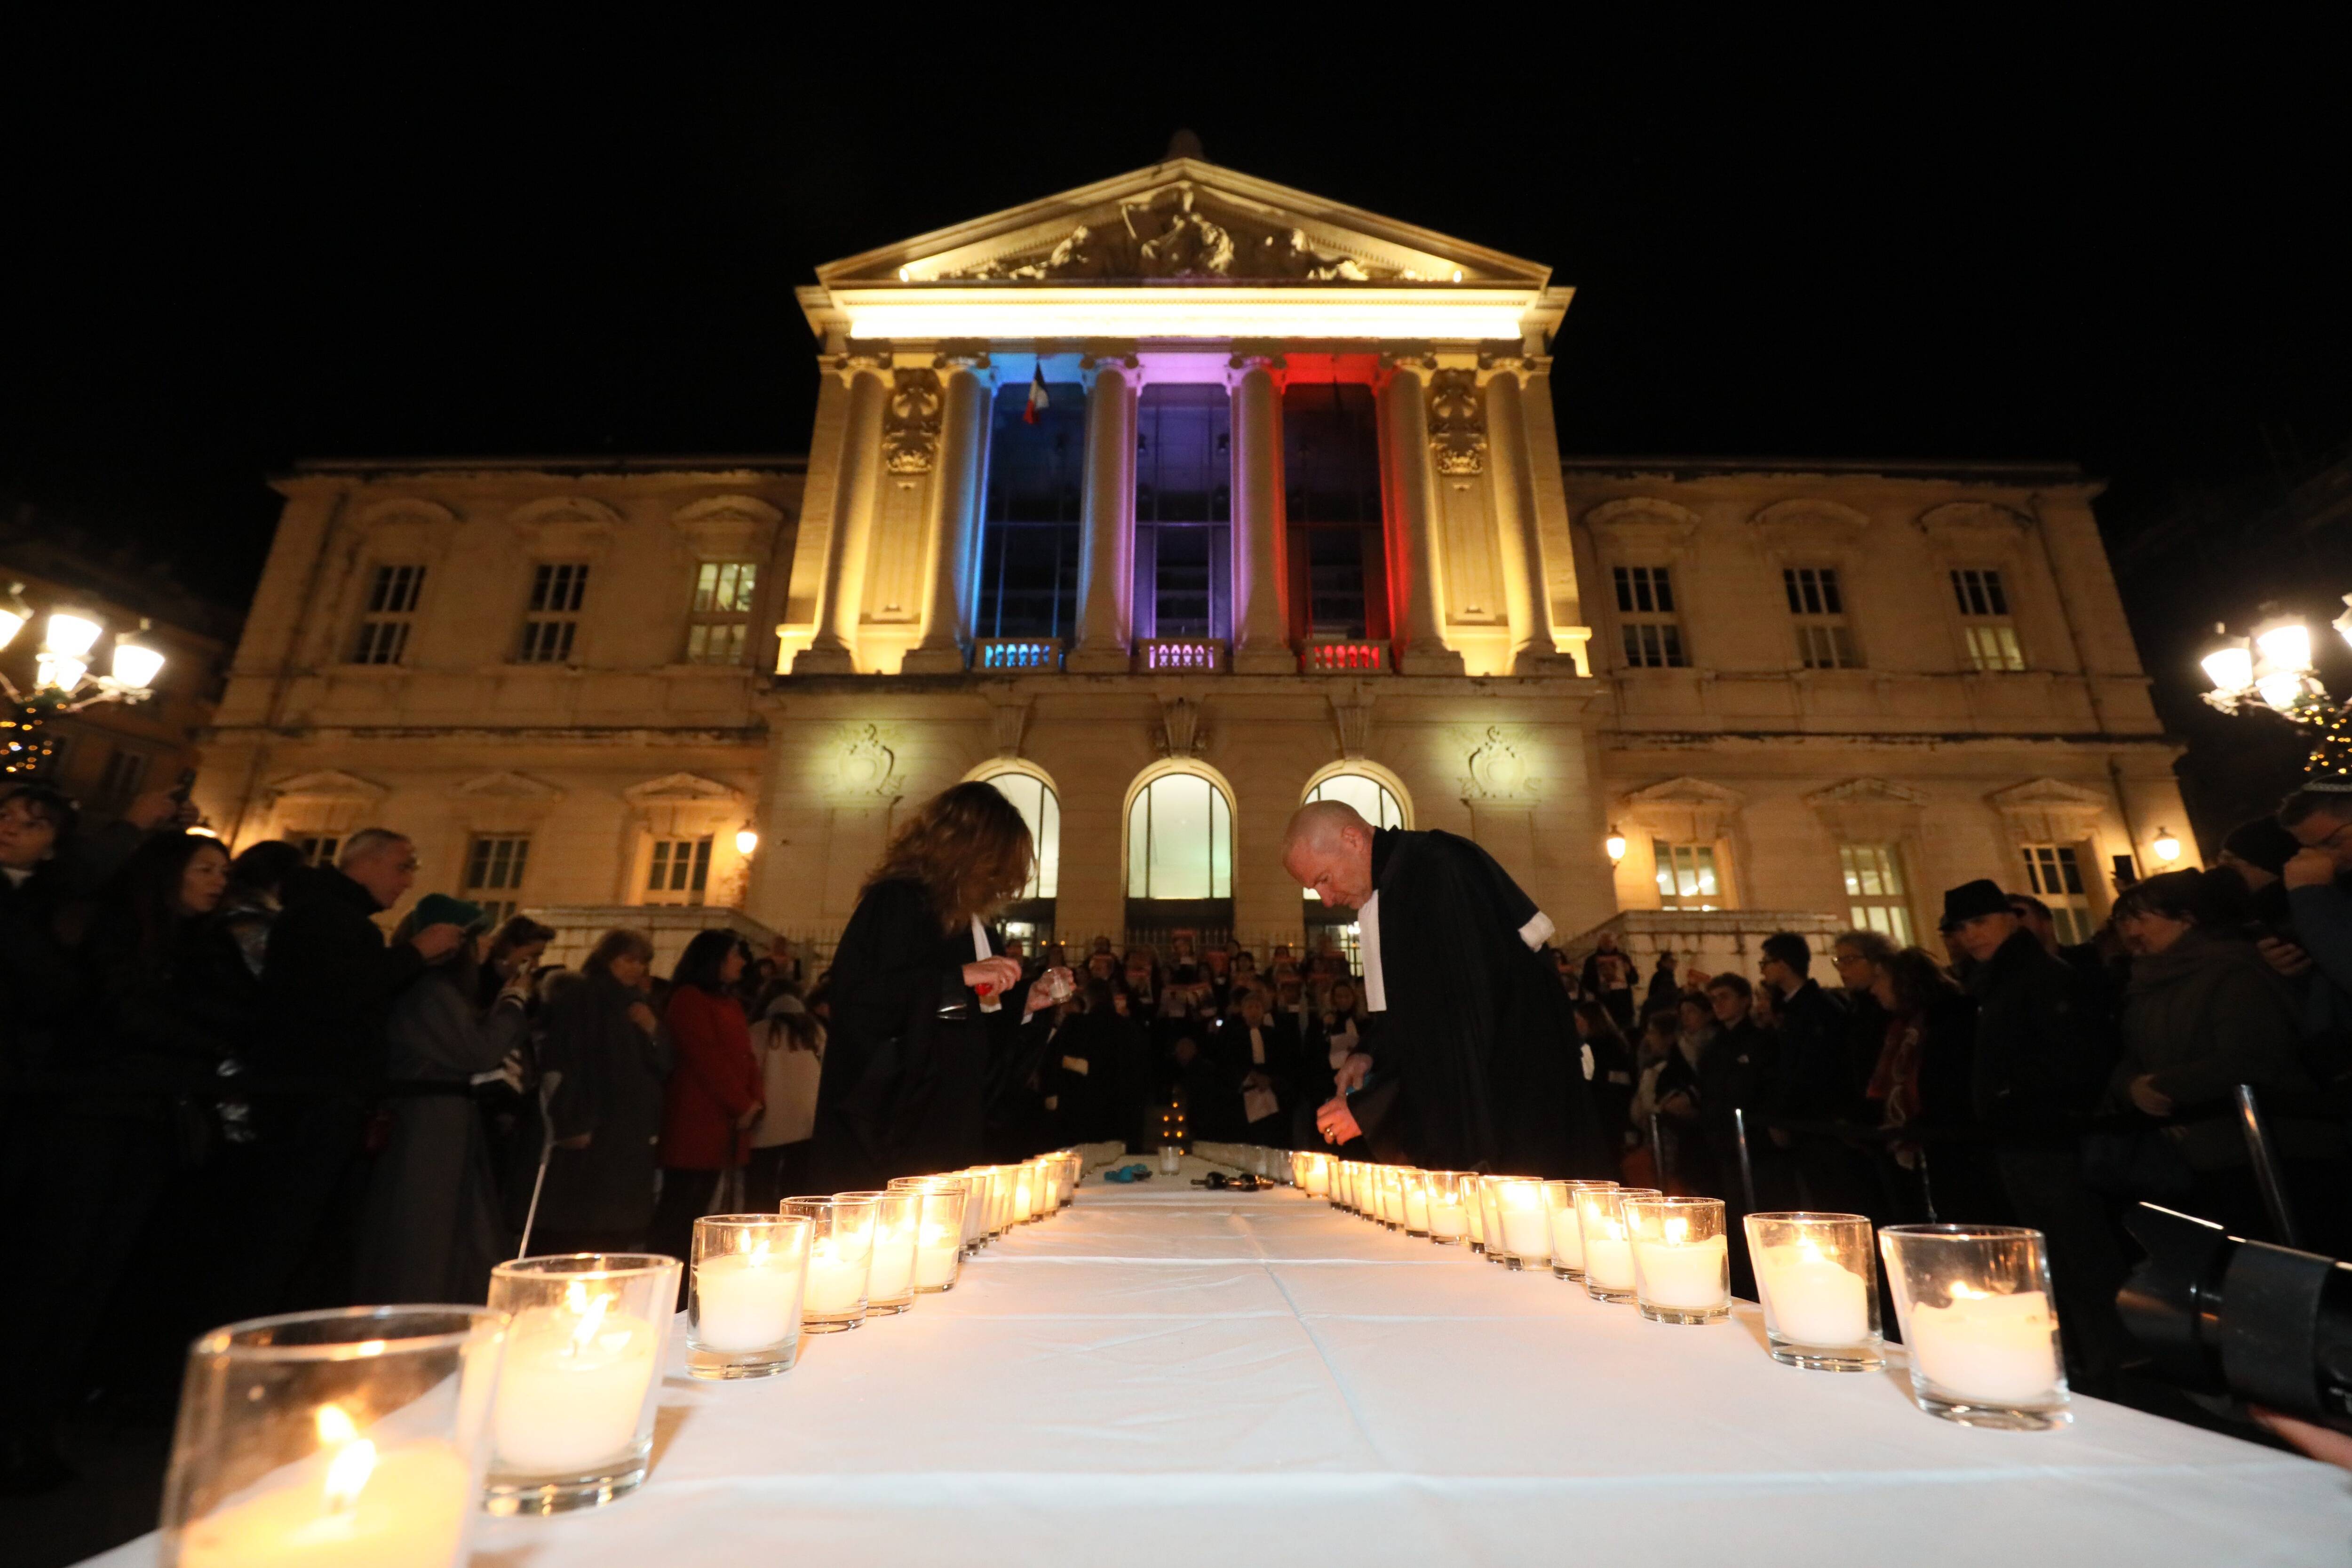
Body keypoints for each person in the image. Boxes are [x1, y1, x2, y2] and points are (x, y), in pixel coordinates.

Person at [4, 830, 236, 1491]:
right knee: (55, 1271)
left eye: (223, 871)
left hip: (145, 1117)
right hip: (91, 1117)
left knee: (94, 1277)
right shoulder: (116, 929)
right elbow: (126, 1014)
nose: (218, 881)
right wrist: (214, 1044)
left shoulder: (194, 943)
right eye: (206, 868)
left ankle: (34, 1423)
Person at [1285, 801, 1606, 1177]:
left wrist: (1370, 1109)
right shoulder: (1396, 886)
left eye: (1324, 879)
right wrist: (1370, 1053)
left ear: (1352, 839)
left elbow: (1455, 1022)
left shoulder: (1435, 871)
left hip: (1519, 1100)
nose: (1326, 899)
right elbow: (1416, 1008)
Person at [810, 783, 1072, 1190]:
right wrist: (958, 978)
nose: (1004, 878)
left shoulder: (979, 924)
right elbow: (861, 1001)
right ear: (969, 849)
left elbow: (978, 1031)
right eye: (999, 860)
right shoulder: (898, 901)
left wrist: (1026, 1002)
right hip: (896, 1131)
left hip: (954, 1122)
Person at [1940, 876, 2129, 1384]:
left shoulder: (2037, 976)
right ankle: (2085, 1355)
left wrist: (2011, 1097)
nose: (1971, 935)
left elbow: (2075, 1057)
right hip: (2021, 1136)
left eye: (1980, 921)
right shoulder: (1999, 979)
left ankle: (2110, 1359)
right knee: (2052, 1255)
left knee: (2077, 1251)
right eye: (1962, 927)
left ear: (2010, 919)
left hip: (2048, 1136)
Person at [2107, 868, 2347, 1254]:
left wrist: (2165, 1089)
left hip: (2270, 1150)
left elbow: (2250, 1056)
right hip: (2205, 1154)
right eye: (2122, 920)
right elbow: (2131, 1054)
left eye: (2141, 918)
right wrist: (2132, 1086)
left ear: (2186, 918)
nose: (2130, 931)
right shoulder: (2146, 986)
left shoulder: (2232, 970)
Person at [357, 907, 529, 1304]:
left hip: (443, 1121)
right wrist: (513, 1003)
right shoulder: (429, 990)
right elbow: (476, 1050)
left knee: (450, 1228)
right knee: (427, 1231)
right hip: (428, 1126)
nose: (487, 946)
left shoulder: (436, 990)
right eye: (477, 938)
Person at [531, 929, 671, 1255]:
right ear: (609, 959)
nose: (636, 968)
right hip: (599, 1121)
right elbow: (569, 1059)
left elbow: (663, 1061)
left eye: (642, 962)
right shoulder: (585, 998)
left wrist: (652, 1029)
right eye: (629, 960)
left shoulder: (637, 1003)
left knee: (613, 1223)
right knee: (587, 1220)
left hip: (628, 1125)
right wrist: (574, 1121)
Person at [650, 931, 762, 1276]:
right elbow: (705, 1057)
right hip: (697, 1118)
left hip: (724, 1117)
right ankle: (668, 1275)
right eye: (734, 955)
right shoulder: (689, 999)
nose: (741, 962)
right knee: (682, 1207)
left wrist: (755, 1100)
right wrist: (742, 1104)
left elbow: (746, 1057)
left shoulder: (729, 1002)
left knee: (704, 1205)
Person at [1862, 946, 1987, 1224]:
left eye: (1880, 979)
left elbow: (1948, 1083)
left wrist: (1921, 1124)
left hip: (1955, 1145)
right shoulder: (1900, 1027)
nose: (1873, 989)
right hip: (1921, 1140)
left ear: (1904, 981)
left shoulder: (1949, 1021)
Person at [1760, 931, 1876, 1217]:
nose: (1762, 970)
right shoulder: (1794, 1008)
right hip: (1807, 1125)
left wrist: (1785, 1114)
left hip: (1821, 1125)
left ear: (1783, 964)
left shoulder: (1817, 1009)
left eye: (1766, 963)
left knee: (1835, 1204)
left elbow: (1813, 1068)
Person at [746, 985, 825, 1211]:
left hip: (767, 1124)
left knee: (761, 1187)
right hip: (807, 1122)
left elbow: (749, 1071)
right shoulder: (816, 1032)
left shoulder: (759, 1031)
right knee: (796, 1188)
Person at [1216, 987, 1298, 1146]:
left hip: (1272, 1092)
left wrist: (1270, 1080)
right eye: (1249, 1007)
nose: (1254, 1011)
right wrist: (1251, 1076)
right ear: (1243, 1012)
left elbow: (1284, 1063)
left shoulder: (1275, 1035)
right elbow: (1229, 1063)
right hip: (1245, 1095)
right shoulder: (1234, 1036)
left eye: (1257, 1007)